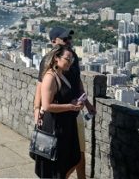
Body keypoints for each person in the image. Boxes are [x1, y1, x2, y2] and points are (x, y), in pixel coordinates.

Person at [33, 27, 96, 179]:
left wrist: (87, 103)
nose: (69, 41)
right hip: (60, 117)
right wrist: (36, 110)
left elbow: (77, 83)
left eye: (70, 39)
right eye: (65, 39)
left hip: (73, 113)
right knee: (65, 157)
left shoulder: (72, 58)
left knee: (77, 155)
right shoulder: (48, 62)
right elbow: (40, 88)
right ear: (54, 41)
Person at [35, 44, 83, 178]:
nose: (70, 62)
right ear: (57, 58)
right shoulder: (50, 77)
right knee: (55, 167)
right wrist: (70, 106)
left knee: (70, 160)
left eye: (72, 60)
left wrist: (77, 102)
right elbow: (47, 105)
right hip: (55, 127)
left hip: (66, 125)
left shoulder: (63, 74)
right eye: (67, 59)